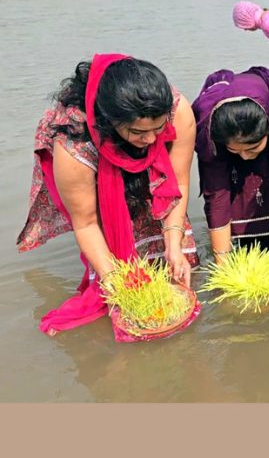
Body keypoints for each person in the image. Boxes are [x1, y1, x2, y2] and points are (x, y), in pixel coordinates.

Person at [16, 53, 200, 341]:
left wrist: (174, 244)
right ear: (111, 122)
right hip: (103, 191)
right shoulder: (74, 143)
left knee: (175, 264)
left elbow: (179, 183)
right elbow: (86, 223)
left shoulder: (177, 111)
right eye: (139, 132)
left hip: (155, 185)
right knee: (118, 275)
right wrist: (118, 282)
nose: (152, 140)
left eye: (158, 129)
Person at [191, 66, 269, 258]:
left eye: (251, 148)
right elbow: (216, 194)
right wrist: (223, 268)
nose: (245, 156)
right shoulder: (210, 132)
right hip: (226, 145)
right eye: (236, 150)